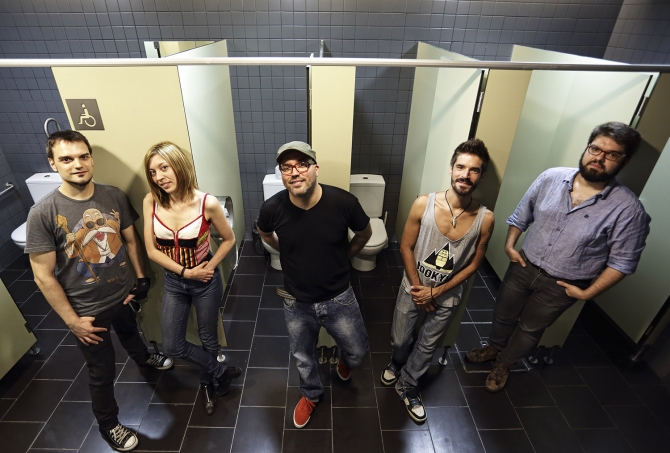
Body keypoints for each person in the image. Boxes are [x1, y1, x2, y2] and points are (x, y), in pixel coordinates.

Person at [467, 122, 651, 392]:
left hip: (563, 285)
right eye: (595, 149)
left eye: (611, 154)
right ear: (587, 148)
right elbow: (522, 213)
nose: (599, 158)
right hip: (523, 266)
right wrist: (510, 245)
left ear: (624, 161)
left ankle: (504, 363)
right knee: (503, 314)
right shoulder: (551, 178)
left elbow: (622, 263)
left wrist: (587, 294)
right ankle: (494, 348)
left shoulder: (628, 210)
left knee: (529, 329)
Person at [27, 130, 174, 452]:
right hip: (87, 311)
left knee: (131, 331)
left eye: (83, 156)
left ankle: (144, 358)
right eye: (66, 159)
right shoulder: (43, 213)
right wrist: (73, 321)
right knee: (102, 371)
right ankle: (108, 425)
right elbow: (42, 276)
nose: (77, 164)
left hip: (123, 293)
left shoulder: (114, 196)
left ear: (91, 159)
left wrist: (141, 278)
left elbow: (131, 240)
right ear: (53, 163)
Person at [257, 141, 372, 429]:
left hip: (339, 296)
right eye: (286, 168)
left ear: (316, 168)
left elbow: (364, 233)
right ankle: (311, 394)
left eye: (302, 164)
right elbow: (265, 233)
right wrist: (286, 251)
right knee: (303, 357)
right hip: (296, 299)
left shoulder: (344, 202)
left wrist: (345, 256)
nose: (294, 172)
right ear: (282, 174)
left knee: (357, 352)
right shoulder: (272, 208)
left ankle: (344, 359)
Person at [381, 139, 495, 422]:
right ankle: (397, 361)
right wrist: (419, 289)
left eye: (474, 170)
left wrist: (436, 292)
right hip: (413, 287)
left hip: (448, 295)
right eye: (461, 167)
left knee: (428, 344)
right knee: (400, 340)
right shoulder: (424, 203)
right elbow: (406, 246)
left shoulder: (486, 218)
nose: (465, 175)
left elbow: (474, 263)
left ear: (481, 176)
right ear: (451, 169)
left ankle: (408, 383)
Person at [142, 141, 241, 416]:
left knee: (208, 336)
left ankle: (209, 381)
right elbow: (151, 250)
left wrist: (209, 267)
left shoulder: (207, 203)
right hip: (175, 282)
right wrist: (186, 272)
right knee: (172, 345)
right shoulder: (151, 201)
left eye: (164, 167)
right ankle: (220, 372)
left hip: (206, 281)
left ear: (179, 165)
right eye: (153, 172)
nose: (159, 177)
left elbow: (229, 239)